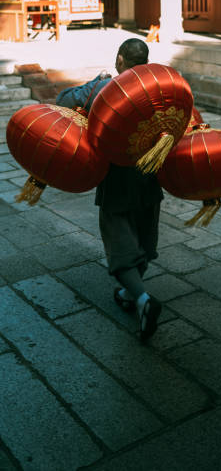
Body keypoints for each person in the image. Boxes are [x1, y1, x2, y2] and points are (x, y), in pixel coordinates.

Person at [56, 38, 163, 341]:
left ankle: (142, 301)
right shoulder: (160, 90)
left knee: (120, 245)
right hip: (151, 176)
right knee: (143, 239)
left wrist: (96, 81)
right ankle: (130, 296)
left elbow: (64, 100)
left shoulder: (107, 88)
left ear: (119, 60)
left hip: (117, 178)